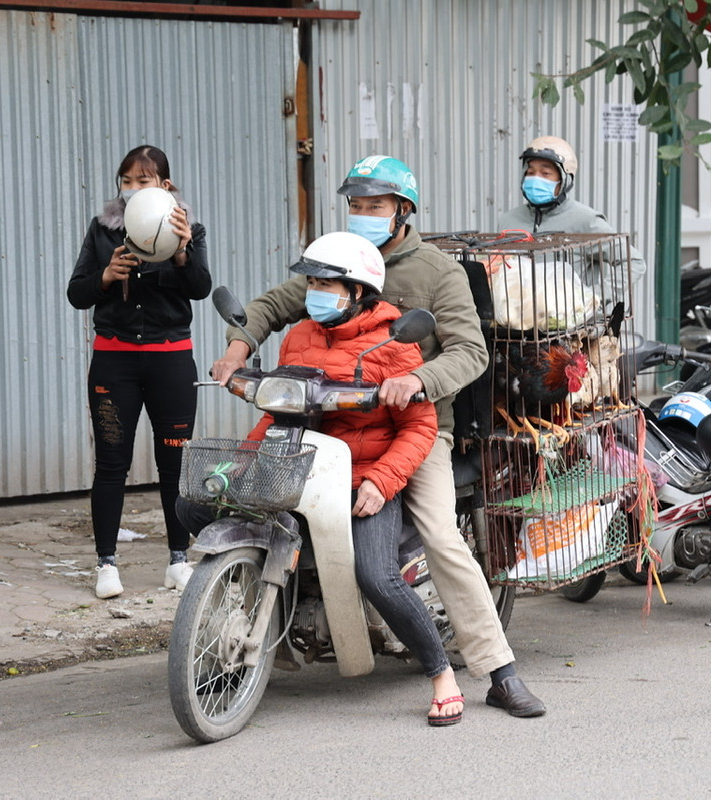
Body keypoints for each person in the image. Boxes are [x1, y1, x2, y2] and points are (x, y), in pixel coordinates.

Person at [211, 155, 547, 718]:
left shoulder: (437, 273)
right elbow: (272, 305)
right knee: (254, 498)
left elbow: (470, 351)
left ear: (403, 211)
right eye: (356, 205)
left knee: (441, 533)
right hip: (324, 419)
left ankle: (497, 670)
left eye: (376, 206)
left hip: (412, 429)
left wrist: (418, 379)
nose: (363, 214)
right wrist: (236, 350)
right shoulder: (337, 260)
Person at [210, 231, 465, 725]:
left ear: (357, 292)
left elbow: (419, 426)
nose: (315, 293)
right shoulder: (301, 334)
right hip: (302, 468)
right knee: (207, 506)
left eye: (327, 285)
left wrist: (382, 482)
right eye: (311, 283)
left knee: (376, 575)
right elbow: (280, 409)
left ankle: (441, 674)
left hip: (364, 477)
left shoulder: (392, 343)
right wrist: (247, 459)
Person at [67, 145, 212, 600]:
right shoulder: (103, 230)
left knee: (174, 465)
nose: (133, 189)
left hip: (171, 359)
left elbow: (201, 288)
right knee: (112, 464)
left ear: (165, 186)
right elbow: (77, 293)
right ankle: (106, 564)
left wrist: (184, 251)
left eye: (143, 181)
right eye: (126, 181)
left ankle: (177, 561)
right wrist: (106, 276)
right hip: (115, 359)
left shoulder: (189, 229)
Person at [498, 135, 647, 304]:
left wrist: (593, 297)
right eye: (530, 172)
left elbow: (633, 261)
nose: (535, 178)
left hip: (570, 325)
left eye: (546, 173)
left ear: (564, 178)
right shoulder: (508, 221)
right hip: (516, 323)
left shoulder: (585, 220)